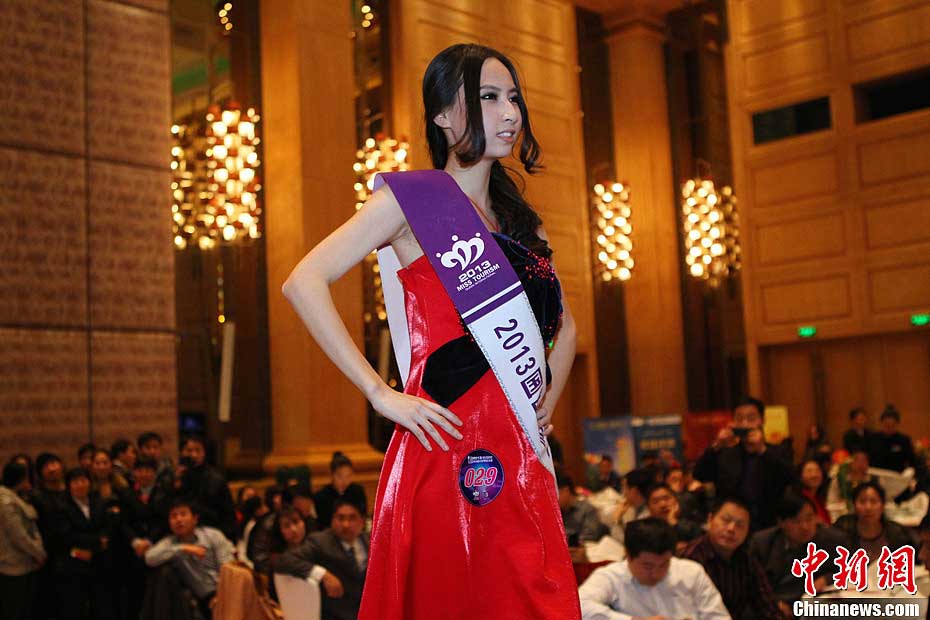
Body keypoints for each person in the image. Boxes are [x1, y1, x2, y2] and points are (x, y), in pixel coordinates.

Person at [282, 43, 579, 620]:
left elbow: (565, 327)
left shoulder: (521, 220)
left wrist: (546, 404)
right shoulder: (410, 201)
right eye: (489, 97)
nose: (510, 112)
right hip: (445, 445)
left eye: (513, 97)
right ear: (443, 115)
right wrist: (380, 393)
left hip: (520, 446)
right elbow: (304, 281)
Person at [578, 517, 730, 620]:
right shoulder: (611, 576)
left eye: (664, 564)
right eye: (647, 566)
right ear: (628, 555)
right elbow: (580, 606)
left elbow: (719, 616)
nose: (656, 573)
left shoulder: (691, 572)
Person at [694, 396, 795, 530]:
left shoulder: (777, 452)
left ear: (762, 420)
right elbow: (699, 474)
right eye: (739, 419)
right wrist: (717, 445)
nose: (745, 424)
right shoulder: (726, 453)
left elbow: (790, 478)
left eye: (751, 418)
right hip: (732, 527)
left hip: (769, 526)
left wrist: (761, 450)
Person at [684, 497, 785, 620]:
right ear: (710, 520)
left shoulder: (746, 559)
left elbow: (767, 606)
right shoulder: (692, 557)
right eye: (726, 520)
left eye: (740, 525)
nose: (731, 529)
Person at [276, 498, 371, 620]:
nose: (346, 524)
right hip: (338, 615)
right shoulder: (320, 542)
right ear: (332, 520)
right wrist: (323, 574)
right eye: (340, 518)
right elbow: (285, 560)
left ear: (362, 521)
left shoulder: (370, 541)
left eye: (352, 518)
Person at [749, 490, 848, 604]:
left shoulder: (833, 540)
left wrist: (826, 579)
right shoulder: (762, 543)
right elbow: (753, 585)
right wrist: (775, 604)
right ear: (781, 523)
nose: (805, 527)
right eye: (796, 521)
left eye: (809, 519)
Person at [144, 498, 234, 618]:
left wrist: (221, 596)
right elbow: (149, 558)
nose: (178, 520)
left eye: (183, 514)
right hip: (199, 600)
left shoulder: (212, 535)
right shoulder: (171, 542)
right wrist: (182, 548)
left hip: (225, 592)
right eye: (173, 516)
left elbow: (228, 568)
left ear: (195, 519)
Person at [55, 466, 115, 620]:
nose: (80, 484)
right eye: (75, 481)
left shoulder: (98, 500)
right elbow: (67, 534)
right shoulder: (62, 506)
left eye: (83, 480)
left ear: (89, 482)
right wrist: (96, 541)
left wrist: (97, 544)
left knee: (102, 605)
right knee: (75, 607)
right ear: (68, 485)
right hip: (73, 562)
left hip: (99, 560)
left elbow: (106, 525)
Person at [0, 460, 46, 620]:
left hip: (25, 563)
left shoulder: (16, 497)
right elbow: (19, 535)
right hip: (13, 565)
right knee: (15, 610)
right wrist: (39, 553)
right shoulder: (5, 501)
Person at [174, 435, 238, 541]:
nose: (194, 455)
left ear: (204, 452)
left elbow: (228, 514)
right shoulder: (175, 477)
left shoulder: (216, 479)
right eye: (189, 450)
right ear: (181, 452)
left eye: (198, 450)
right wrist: (176, 484)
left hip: (212, 532)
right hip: (181, 533)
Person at [833, 481, 915, 561]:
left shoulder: (896, 534)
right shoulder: (842, 530)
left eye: (874, 501)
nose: (868, 507)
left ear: (883, 506)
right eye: (862, 502)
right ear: (854, 505)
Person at [314, 452, 368, 529]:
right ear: (331, 474)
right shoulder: (321, 496)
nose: (344, 481)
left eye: (348, 476)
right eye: (339, 476)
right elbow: (322, 525)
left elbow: (362, 517)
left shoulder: (358, 491)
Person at [644, 483, 702, 554]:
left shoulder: (691, 525)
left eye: (666, 498)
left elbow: (698, 548)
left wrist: (673, 522)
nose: (663, 504)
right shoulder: (645, 530)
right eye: (656, 501)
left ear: (676, 500)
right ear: (648, 507)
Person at [558, 473, 606, 550]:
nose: (552, 499)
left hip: (581, 552)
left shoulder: (587, 509)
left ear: (566, 490)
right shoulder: (558, 512)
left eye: (554, 494)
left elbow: (589, 537)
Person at [868, 404, 916, 472]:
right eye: (886, 425)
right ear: (881, 423)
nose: (889, 428)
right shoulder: (873, 438)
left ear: (897, 424)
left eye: (892, 425)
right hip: (878, 475)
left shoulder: (903, 440)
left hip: (897, 475)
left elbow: (912, 461)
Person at [827, 449, 875, 514]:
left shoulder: (873, 481)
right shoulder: (839, 480)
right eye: (857, 460)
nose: (860, 464)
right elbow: (831, 502)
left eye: (864, 460)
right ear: (851, 462)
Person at [796, 459, 830, 524]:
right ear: (800, 476)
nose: (814, 475)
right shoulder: (800, 498)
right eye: (809, 471)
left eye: (817, 471)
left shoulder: (818, 497)